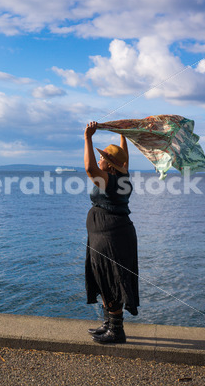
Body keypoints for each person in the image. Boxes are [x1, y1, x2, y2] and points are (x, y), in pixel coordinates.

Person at [84, 121, 139, 344]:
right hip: (108, 234)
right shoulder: (121, 177)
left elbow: (89, 168)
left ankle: (116, 331)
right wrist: (122, 135)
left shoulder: (109, 181)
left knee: (111, 278)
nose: (99, 160)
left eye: (103, 158)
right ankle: (109, 323)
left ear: (109, 165)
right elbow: (123, 157)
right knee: (104, 276)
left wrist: (87, 137)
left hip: (110, 236)